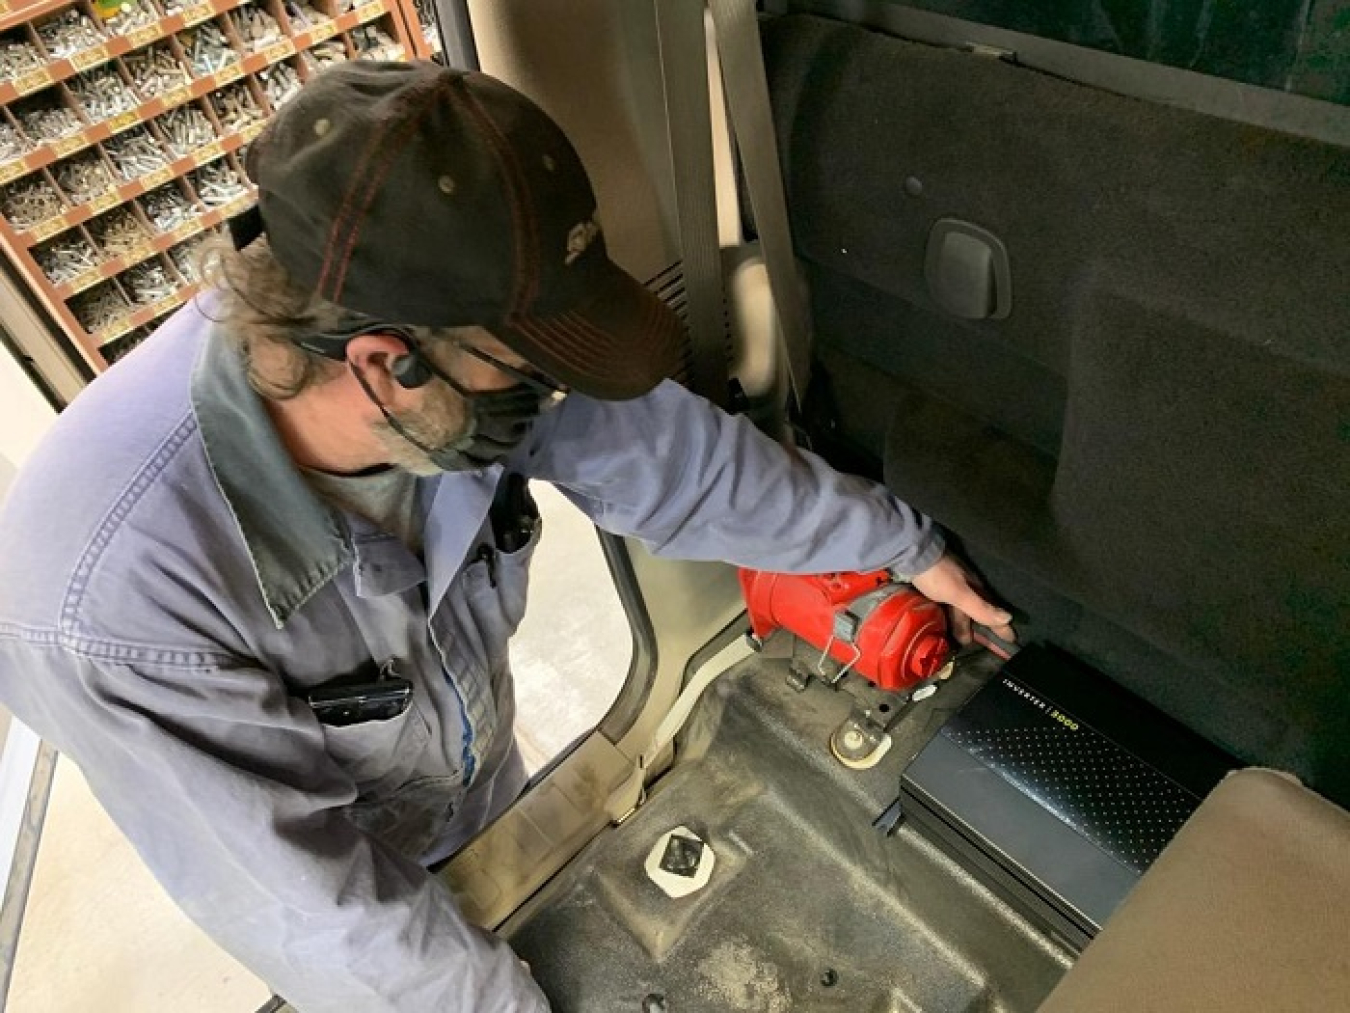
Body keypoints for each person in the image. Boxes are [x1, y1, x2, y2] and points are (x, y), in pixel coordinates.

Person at [0, 62, 1012, 1011]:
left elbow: (683, 465)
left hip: (465, 772)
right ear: (383, 363)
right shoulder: (111, 601)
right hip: (339, 858)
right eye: (531, 372)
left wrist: (896, 541)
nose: (553, 395)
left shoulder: (457, 350)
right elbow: (318, 912)